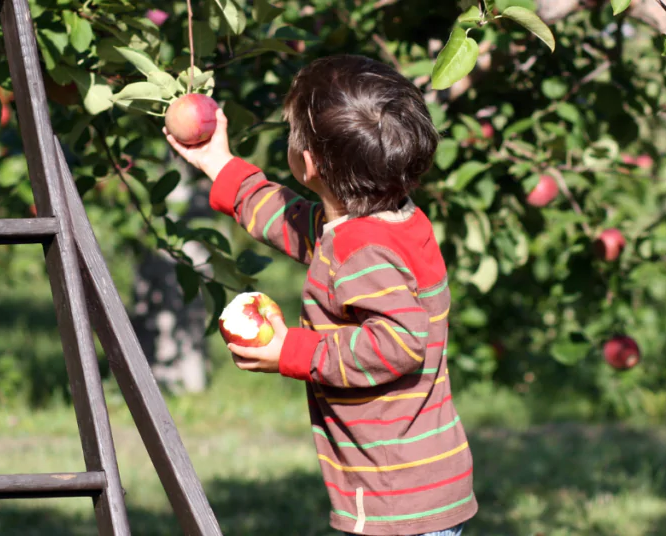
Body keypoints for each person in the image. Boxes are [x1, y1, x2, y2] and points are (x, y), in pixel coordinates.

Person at [164, 54, 475, 536]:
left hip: (398, 501)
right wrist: (219, 164)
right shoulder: (388, 223)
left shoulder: (361, 252)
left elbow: (399, 342)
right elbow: (296, 224)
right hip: (415, 483)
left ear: (306, 162)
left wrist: (292, 350)